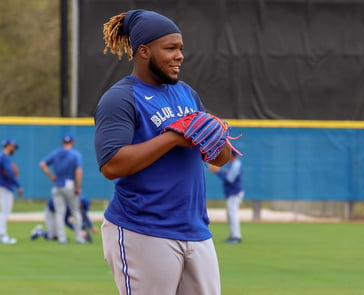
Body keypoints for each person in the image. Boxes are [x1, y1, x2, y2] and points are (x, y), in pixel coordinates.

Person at [94, 9, 232, 295]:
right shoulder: (120, 98)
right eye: (170, 48)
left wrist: (218, 136)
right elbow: (111, 165)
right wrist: (171, 138)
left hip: (195, 230)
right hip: (142, 229)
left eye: (180, 48)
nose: (179, 55)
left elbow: (220, 157)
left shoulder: (186, 93)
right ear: (144, 51)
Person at [39, 134, 85, 244]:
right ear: (72, 143)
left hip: (58, 185)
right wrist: (78, 187)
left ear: (62, 143)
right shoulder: (75, 154)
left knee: (59, 213)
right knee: (76, 212)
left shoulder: (56, 153)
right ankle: (78, 237)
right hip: (70, 185)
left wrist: (51, 176)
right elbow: (78, 171)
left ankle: (62, 238)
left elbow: (42, 164)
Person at [208, 150, 244, 244]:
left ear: (231, 155)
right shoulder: (232, 163)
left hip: (235, 193)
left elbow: (229, 179)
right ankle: (234, 235)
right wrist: (219, 172)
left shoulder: (236, 164)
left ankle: (236, 237)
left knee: (232, 214)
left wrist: (218, 172)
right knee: (230, 214)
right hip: (232, 193)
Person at [31, 196, 98, 243]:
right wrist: (78, 230)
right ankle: (39, 231)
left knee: (55, 237)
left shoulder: (77, 203)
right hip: (51, 211)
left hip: (58, 212)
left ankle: (57, 237)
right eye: (82, 207)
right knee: (51, 236)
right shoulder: (69, 205)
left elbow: (84, 216)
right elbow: (65, 221)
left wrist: (91, 227)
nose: (82, 209)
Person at [0, 139, 23, 244]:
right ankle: (2, 235)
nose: (14, 149)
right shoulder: (5, 157)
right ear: (8, 146)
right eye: (13, 146)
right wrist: (18, 185)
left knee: (2, 212)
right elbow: (9, 172)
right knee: (4, 212)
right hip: (5, 187)